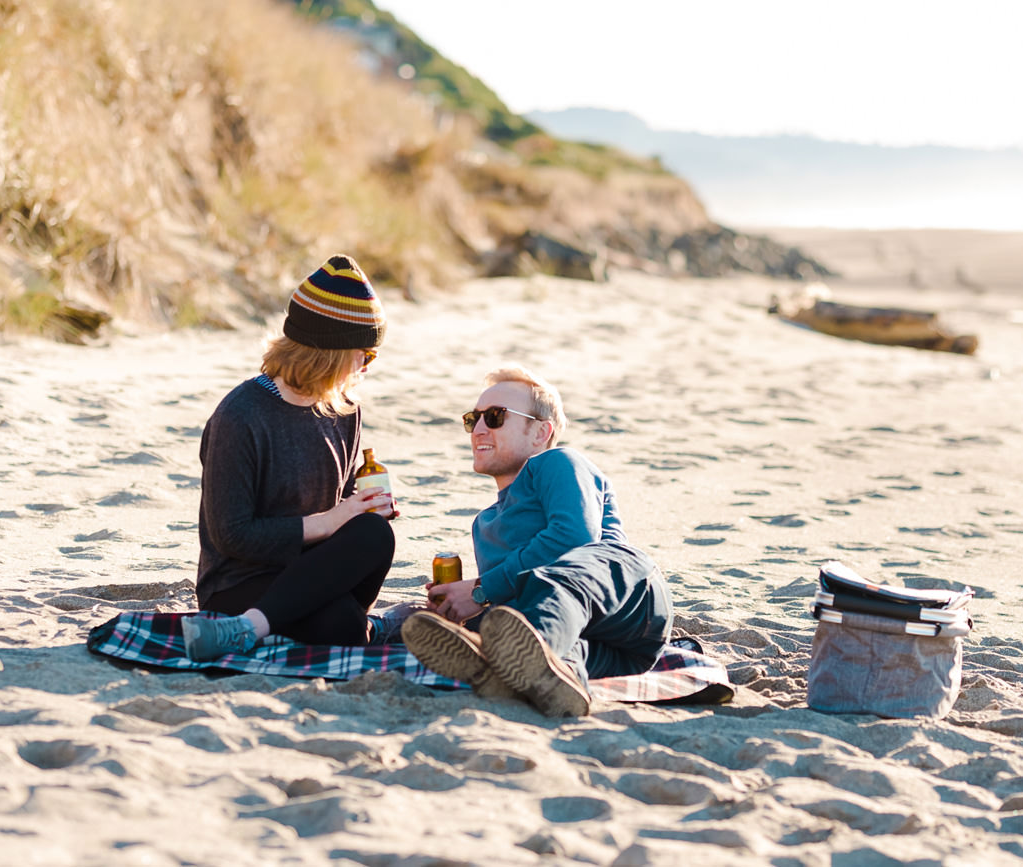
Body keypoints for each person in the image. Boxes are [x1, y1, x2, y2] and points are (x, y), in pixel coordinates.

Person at [402, 367, 673, 716]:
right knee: (515, 619)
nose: (479, 428)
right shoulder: (484, 523)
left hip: (630, 604)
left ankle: (511, 657)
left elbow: (575, 538)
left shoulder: (556, 462)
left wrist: (481, 590)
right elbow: (512, 603)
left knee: (560, 577)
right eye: (473, 419)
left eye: (495, 416)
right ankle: (547, 676)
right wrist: (462, 611)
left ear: (541, 432)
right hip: (603, 651)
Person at [181, 254, 397, 661]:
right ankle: (246, 626)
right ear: (330, 352)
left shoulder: (344, 410)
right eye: (364, 355)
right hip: (237, 582)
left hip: (311, 571)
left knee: (375, 535)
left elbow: (338, 506)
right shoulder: (240, 416)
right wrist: (332, 520)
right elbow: (233, 535)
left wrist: (362, 507)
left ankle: (255, 629)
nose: (366, 368)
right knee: (342, 627)